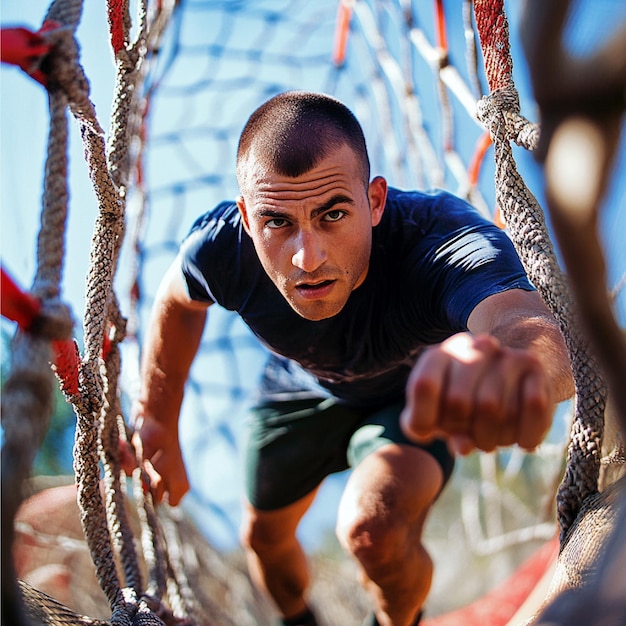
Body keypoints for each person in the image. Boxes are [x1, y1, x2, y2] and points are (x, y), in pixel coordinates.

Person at [131, 91, 574, 626]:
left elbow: (524, 322)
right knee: (264, 541)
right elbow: (177, 298)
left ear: (376, 201)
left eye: (333, 213)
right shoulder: (223, 249)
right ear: (248, 219)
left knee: (373, 529)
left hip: (410, 394)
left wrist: (514, 366)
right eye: (278, 223)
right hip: (298, 388)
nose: (307, 257)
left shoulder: (438, 238)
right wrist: (157, 416)